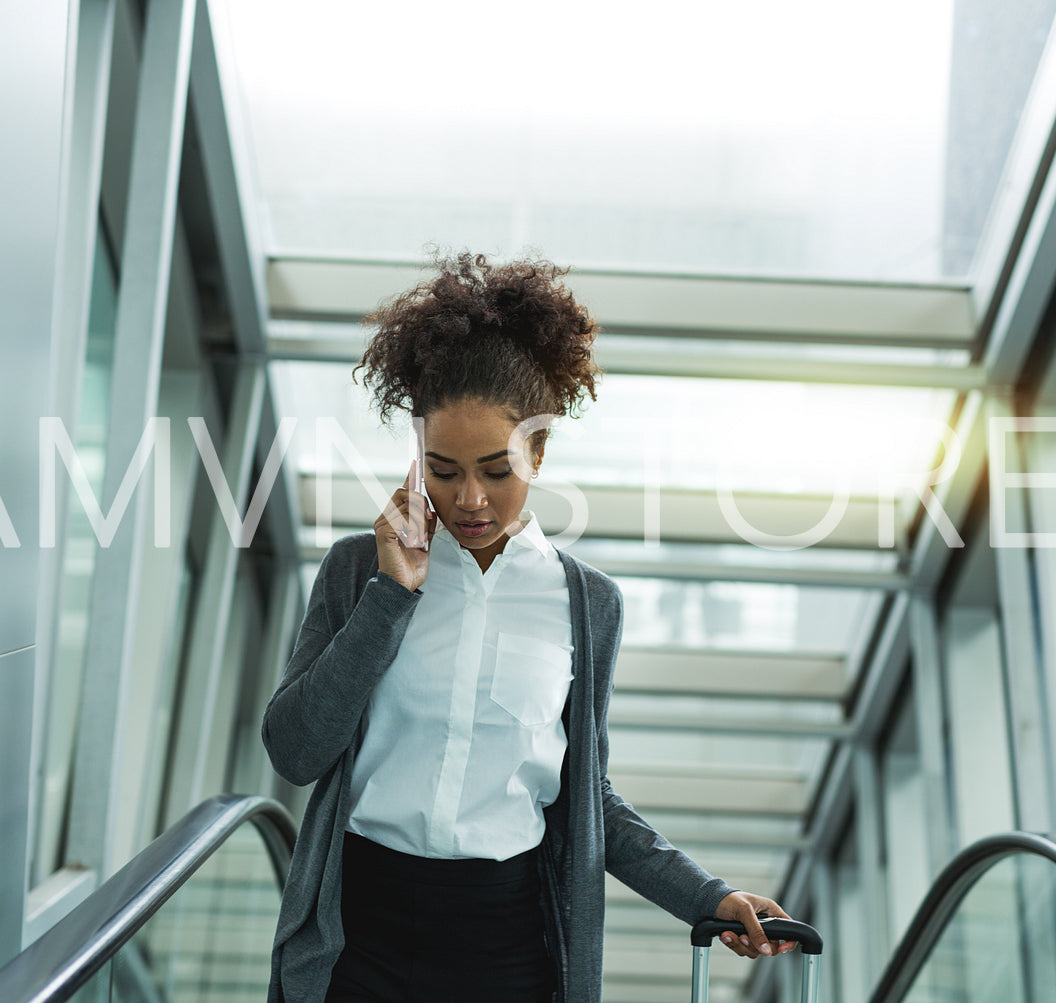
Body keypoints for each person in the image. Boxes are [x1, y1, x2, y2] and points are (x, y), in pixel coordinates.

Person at [261, 252, 797, 1003]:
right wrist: (390, 595)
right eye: (443, 470)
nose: (470, 498)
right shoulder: (359, 571)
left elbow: (585, 793)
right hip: (360, 931)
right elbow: (295, 749)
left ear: (538, 451)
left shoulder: (589, 604)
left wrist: (705, 895)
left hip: (507, 941)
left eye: (496, 469)